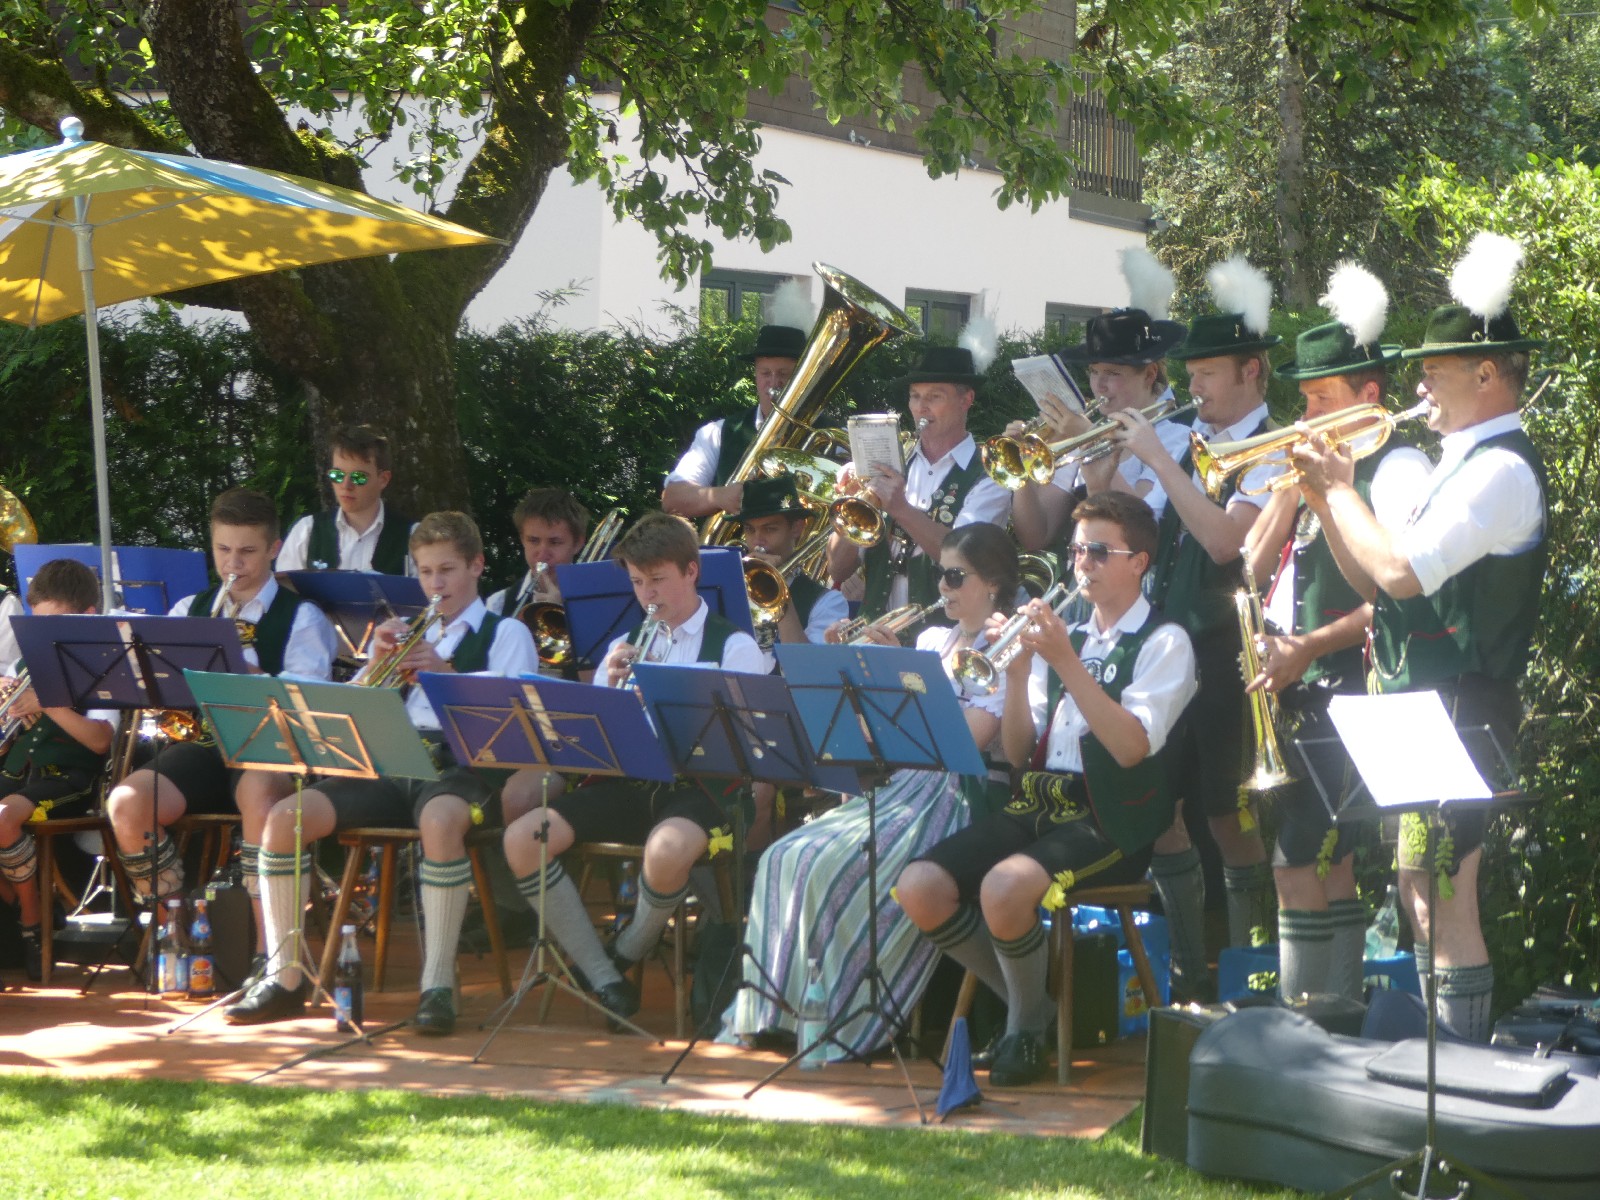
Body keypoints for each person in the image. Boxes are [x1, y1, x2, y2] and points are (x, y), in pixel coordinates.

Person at [1293, 233, 1546, 1041]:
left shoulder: (1500, 470)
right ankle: (1444, 1059)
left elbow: (1401, 573)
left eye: (1434, 371)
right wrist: (1327, 498)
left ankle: (1458, 1067)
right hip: (1424, 699)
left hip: (1466, 703)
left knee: (1445, 893)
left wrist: (1342, 493)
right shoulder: (1455, 464)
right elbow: (1372, 582)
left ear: (1487, 375)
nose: (1419, 386)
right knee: (1417, 887)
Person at [897, 491, 1196, 1086]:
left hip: (1112, 814)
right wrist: (1015, 677)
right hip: (1039, 798)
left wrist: (1064, 662)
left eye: (1099, 551)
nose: (1082, 562)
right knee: (919, 886)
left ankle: (1024, 1033)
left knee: (1003, 888)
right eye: (1077, 550)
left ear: (1138, 562)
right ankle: (1032, 1009)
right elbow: (1016, 752)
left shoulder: (1165, 641)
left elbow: (1130, 748)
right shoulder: (1068, 634)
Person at [225, 511, 538, 1032]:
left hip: (461, 767)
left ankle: (438, 984)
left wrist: (444, 672)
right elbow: (349, 715)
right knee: (284, 820)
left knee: (439, 822)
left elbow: (507, 724)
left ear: (477, 566)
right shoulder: (411, 631)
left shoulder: (507, 633)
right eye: (426, 572)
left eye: (447, 570)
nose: (436, 584)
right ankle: (285, 976)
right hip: (391, 759)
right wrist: (375, 665)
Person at [722, 522, 1018, 1059]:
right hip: (902, 786)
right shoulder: (932, 640)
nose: (943, 587)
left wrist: (897, 671)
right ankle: (773, 1011)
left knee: (835, 867)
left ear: (993, 584)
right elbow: (878, 735)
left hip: (964, 795)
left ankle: (842, 1014)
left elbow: (966, 742)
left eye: (956, 576)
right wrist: (856, 673)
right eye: (940, 574)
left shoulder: (1007, 648)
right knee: (785, 855)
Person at [1244, 264, 1431, 1001]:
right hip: (1295, 688)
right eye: (1305, 399)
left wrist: (1309, 648)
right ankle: (1331, 1016)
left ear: (1368, 397)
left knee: (1305, 865)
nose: (1306, 414)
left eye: (1321, 398)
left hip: (1350, 686)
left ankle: (1315, 1026)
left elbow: (1394, 600)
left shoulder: (1394, 469)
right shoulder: (1315, 471)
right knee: (1313, 867)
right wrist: (1292, 490)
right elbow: (1248, 566)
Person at [501, 512, 764, 1024]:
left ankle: (626, 950)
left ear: (692, 571)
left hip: (703, 791)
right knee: (522, 839)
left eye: (658, 579)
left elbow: (742, 745)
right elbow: (594, 742)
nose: (648, 595)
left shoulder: (735, 647)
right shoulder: (624, 644)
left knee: (667, 849)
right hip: (631, 785)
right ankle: (604, 975)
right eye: (639, 582)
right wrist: (611, 692)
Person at [1107, 256, 1285, 1000]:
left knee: (1227, 816)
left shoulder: (1272, 447)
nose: (1196, 388)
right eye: (1193, 375)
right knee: (1165, 812)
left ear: (1252, 372)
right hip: (1166, 648)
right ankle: (1185, 974)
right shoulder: (1183, 437)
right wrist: (1105, 452)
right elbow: (1128, 522)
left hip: (1223, 651)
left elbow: (1223, 543)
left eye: (1208, 374)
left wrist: (1160, 456)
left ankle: (1251, 976)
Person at [106, 488, 336, 925]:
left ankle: (267, 946)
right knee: (126, 804)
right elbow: (151, 678)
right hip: (205, 745)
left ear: (273, 549)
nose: (233, 564)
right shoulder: (189, 609)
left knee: (258, 793)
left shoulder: (302, 616)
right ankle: (176, 934)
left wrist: (242, 671)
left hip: (272, 748)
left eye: (247, 552)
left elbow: (308, 700)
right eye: (223, 550)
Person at [1009, 248, 1191, 552]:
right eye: (1094, 372)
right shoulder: (1086, 428)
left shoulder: (1177, 432)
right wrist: (1021, 469)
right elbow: (1036, 537)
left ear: (1149, 374)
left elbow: (1142, 527)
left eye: (1113, 373)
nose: (1099, 385)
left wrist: (1087, 440)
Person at [827, 344, 1012, 621]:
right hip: (872, 631)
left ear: (966, 399)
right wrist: (852, 505)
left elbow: (965, 557)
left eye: (934, 397)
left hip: (947, 636)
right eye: (915, 396)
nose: (921, 408)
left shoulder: (989, 474)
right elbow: (838, 571)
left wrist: (901, 508)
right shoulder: (892, 464)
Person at [0, 560, 117, 982]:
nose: (42, 636)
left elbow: (100, 740)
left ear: (87, 616)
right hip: (19, 774)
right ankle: (28, 905)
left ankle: (32, 923)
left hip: (69, 779)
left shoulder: (104, 667)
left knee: (2, 819)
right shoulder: (25, 665)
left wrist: (47, 704)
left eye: (52, 623)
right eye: (37, 625)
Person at [661, 323, 807, 520]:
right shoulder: (717, 433)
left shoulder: (832, 435)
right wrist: (719, 497)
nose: (773, 383)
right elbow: (672, 498)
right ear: (755, 376)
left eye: (783, 374)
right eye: (765, 373)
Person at [732, 475, 849, 666]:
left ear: (796, 528)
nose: (758, 541)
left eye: (769, 529)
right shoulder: (729, 584)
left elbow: (805, 667)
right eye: (750, 530)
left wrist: (778, 591)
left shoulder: (828, 602)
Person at [276, 424, 416, 575]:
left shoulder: (413, 537)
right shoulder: (306, 532)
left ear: (383, 479)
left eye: (358, 477)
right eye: (338, 475)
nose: (346, 485)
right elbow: (286, 587)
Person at [485, 488, 590, 619]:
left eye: (555, 542)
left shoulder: (596, 601)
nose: (542, 555)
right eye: (533, 541)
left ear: (578, 544)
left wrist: (563, 613)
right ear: (522, 539)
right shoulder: (498, 604)